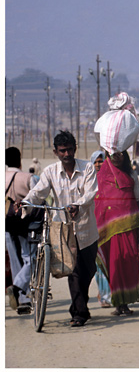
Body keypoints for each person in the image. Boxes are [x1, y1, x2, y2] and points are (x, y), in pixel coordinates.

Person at [22, 131, 99, 327]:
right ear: (56, 152)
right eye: (63, 151)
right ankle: (78, 313)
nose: (67, 154)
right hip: (63, 230)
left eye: (70, 150)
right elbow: (38, 192)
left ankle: (81, 308)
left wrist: (78, 205)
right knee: (73, 271)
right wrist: (26, 203)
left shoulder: (87, 168)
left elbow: (91, 193)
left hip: (86, 230)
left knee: (88, 270)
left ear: (75, 149)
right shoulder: (50, 172)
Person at [95, 150, 139, 317]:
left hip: (129, 227)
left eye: (121, 153)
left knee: (128, 262)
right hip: (108, 230)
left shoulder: (131, 174)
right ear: (108, 155)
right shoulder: (100, 176)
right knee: (114, 264)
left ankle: (126, 303)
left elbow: (137, 198)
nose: (118, 157)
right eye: (113, 153)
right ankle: (118, 303)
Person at [5, 147, 38, 315]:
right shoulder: (28, 178)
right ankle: (18, 288)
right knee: (30, 258)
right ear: (19, 160)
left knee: (14, 259)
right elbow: (39, 198)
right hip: (24, 225)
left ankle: (22, 299)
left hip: (6, 225)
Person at [90, 150, 113, 308]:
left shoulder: (111, 179)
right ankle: (103, 294)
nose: (99, 164)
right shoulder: (88, 180)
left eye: (101, 161)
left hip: (110, 226)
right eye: (96, 162)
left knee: (111, 262)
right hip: (93, 227)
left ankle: (110, 294)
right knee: (99, 264)